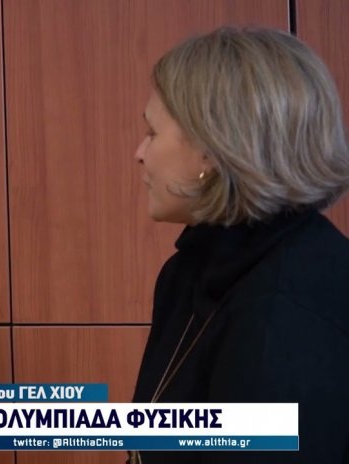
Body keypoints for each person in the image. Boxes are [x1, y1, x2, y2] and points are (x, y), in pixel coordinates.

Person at [131, 27, 349, 463]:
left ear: (212, 151)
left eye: (152, 133)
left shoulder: (285, 316)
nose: (140, 152)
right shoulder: (190, 270)